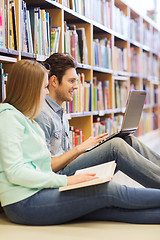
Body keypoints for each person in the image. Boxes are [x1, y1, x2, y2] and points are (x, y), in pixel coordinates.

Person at [0, 60, 160, 226]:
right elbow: (16, 171)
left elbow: (41, 165)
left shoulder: (27, 120)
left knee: (108, 208)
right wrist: (67, 181)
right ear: (30, 89)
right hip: (24, 202)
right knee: (106, 190)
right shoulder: (9, 118)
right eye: (44, 87)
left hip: (39, 191)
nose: (47, 93)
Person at [35, 53, 160, 189]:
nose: (76, 87)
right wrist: (79, 149)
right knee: (116, 146)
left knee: (128, 140)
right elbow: (46, 166)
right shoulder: (41, 114)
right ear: (53, 81)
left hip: (70, 166)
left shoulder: (60, 112)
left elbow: (66, 154)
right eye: (71, 81)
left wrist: (90, 150)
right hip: (60, 177)